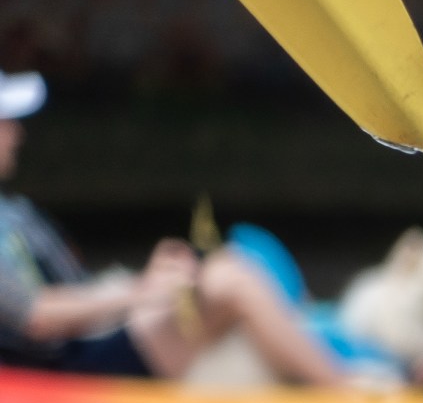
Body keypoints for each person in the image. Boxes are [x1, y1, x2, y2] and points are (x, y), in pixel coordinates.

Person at [0, 70, 347, 386]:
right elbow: (35, 318)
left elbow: (75, 290)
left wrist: (150, 285)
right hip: (61, 369)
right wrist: (139, 290)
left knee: (221, 270)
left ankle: (328, 378)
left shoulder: (16, 211)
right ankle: (345, 394)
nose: (17, 132)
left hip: (82, 344)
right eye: (6, 122)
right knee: (231, 281)